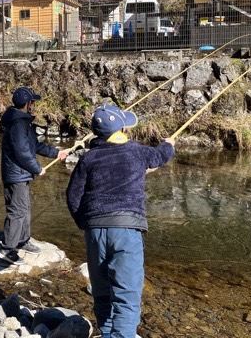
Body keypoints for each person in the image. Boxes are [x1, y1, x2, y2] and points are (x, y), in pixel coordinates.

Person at [66, 104, 175, 338]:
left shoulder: (88, 158)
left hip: (94, 231)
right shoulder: (137, 152)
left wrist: (85, 224)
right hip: (126, 229)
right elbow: (159, 156)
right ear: (122, 129)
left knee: (102, 292)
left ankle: (107, 333)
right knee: (127, 295)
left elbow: (73, 196)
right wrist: (169, 144)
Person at [0, 86, 67, 265]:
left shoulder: (22, 121)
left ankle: (23, 240)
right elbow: (22, 152)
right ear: (27, 103)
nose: (33, 104)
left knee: (25, 208)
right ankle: (8, 249)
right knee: (17, 210)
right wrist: (37, 168)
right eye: (32, 102)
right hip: (16, 174)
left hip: (21, 173)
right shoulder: (18, 123)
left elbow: (34, 146)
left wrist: (56, 153)